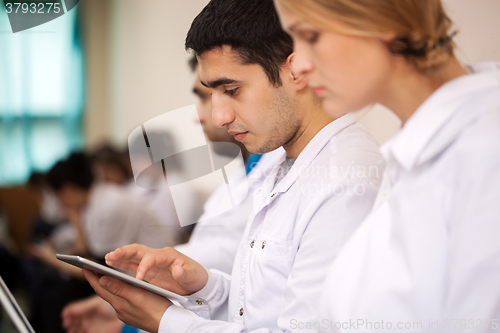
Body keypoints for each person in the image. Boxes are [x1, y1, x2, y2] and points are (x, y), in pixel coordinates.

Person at [81, 0, 384, 332]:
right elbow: (258, 309)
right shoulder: (284, 162)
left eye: (232, 90)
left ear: (297, 71)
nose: (218, 117)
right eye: (212, 93)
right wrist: (204, 286)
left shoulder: (346, 181)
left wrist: (166, 321)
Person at [273, 0, 500, 331]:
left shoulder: (485, 153)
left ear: (381, 17)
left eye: (311, 35)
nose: (299, 65)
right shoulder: (416, 150)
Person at [62, 56, 280, 333]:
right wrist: (120, 306)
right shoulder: (240, 176)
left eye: (226, 92)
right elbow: (211, 279)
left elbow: (224, 276)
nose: (205, 115)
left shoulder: (279, 179)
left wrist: (132, 314)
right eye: (206, 98)